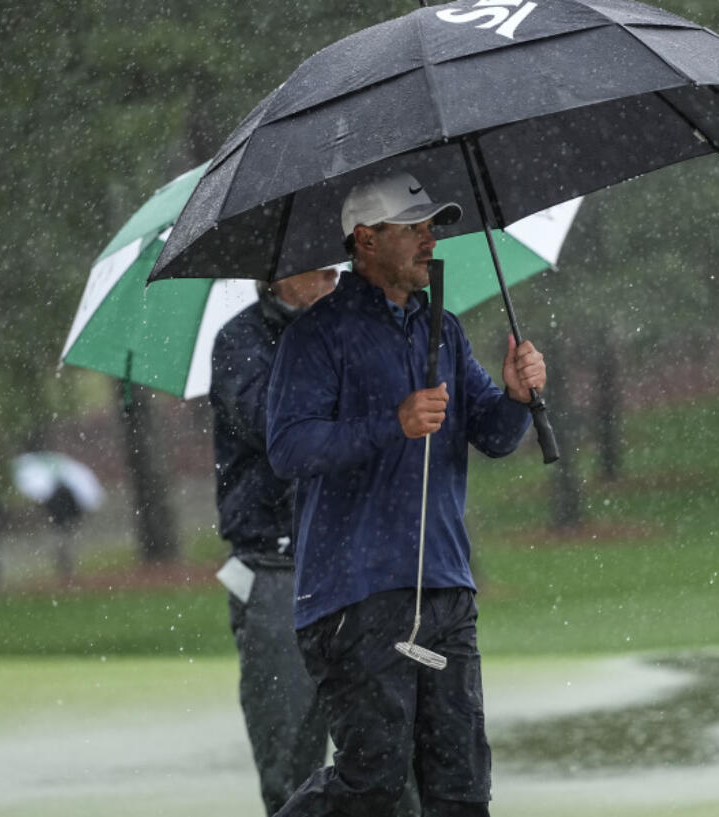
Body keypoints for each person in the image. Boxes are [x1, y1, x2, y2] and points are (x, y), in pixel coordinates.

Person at [266, 172, 547, 817]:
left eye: (432, 226)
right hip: (354, 595)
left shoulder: (440, 327)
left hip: (445, 589)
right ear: (365, 239)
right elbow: (290, 448)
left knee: (461, 790)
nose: (430, 240)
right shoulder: (317, 336)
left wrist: (517, 395)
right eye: (413, 228)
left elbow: (496, 436)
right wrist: (390, 423)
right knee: (374, 784)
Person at [209, 267, 342, 817]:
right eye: (318, 260)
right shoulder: (239, 342)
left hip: (359, 571)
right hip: (276, 572)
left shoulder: (353, 332)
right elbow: (280, 431)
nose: (335, 271)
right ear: (280, 272)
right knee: (292, 772)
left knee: (393, 766)